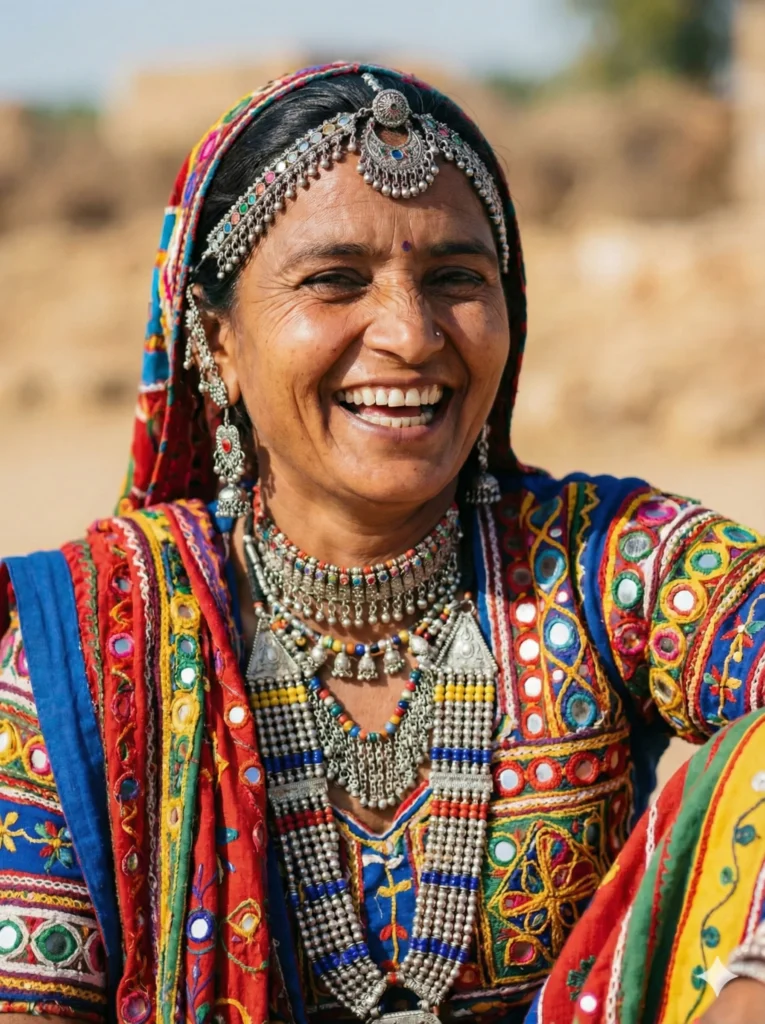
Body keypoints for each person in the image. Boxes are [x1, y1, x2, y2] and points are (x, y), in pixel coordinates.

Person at [0, 62, 763, 1024]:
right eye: (335, 281)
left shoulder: (601, 563)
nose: (409, 334)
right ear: (216, 341)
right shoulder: (93, 647)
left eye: (455, 279)